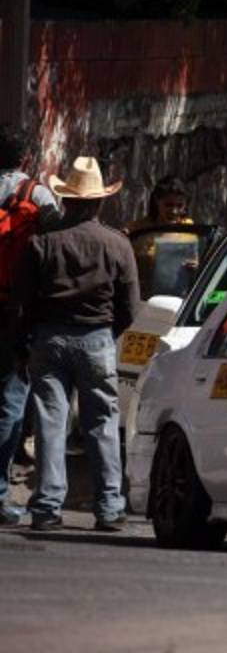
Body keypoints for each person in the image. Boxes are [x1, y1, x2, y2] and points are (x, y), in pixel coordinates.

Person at [13, 156, 138, 532]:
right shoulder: (117, 245)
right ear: (99, 202)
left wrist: (25, 343)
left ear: (66, 200)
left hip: (49, 338)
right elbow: (130, 306)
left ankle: (48, 506)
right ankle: (109, 506)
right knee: (102, 422)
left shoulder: (42, 243)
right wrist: (106, 334)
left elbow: (23, 302)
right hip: (97, 338)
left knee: (52, 423)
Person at [0, 129, 60, 525]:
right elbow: (57, 247)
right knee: (10, 399)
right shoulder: (36, 195)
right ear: (25, 160)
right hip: (14, 310)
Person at [125, 175, 197, 298]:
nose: (174, 211)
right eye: (169, 205)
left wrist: (195, 266)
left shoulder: (189, 228)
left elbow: (198, 262)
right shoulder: (137, 229)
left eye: (179, 206)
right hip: (144, 300)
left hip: (178, 301)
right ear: (157, 201)